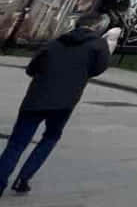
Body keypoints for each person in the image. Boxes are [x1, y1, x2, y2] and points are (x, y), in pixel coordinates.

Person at [0, 13, 112, 195]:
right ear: (98, 27)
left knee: (16, 143)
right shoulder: (98, 45)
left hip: (35, 100)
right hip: (65, 102)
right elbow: (98, 69)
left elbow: (31, 69)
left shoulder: (54, 42)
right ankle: (24, 178)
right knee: (50, 138)